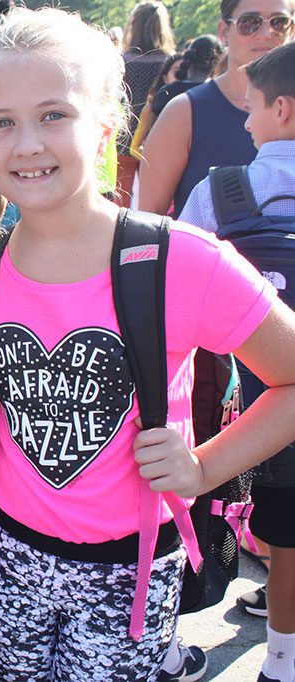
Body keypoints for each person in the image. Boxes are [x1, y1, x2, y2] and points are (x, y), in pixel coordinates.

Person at [0, 8, 295, 682]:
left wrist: (203, 468)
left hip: (129, 575)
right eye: (2, 122)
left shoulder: (179, 260)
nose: (27, 144)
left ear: (104, 124)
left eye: (53, 115)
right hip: (7, 562)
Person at [177, 44, 295, 682]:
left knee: (284, 531)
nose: (245, 123)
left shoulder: (221, 190)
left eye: (252, 108)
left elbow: (175, 283)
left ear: (282, 109)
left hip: (255, 405)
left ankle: (280, 660)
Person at [138, 0, 294, 217]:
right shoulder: (184, 112)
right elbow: (149, 219)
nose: (267, 33)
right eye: (250, 22)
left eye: (279, 23)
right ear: (224, 31)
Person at [115, 0, 176, 206]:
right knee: (154, 206)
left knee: (121, 203)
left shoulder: (121, 60)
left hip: (122, 138)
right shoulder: (171, 62)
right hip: (157, 138)